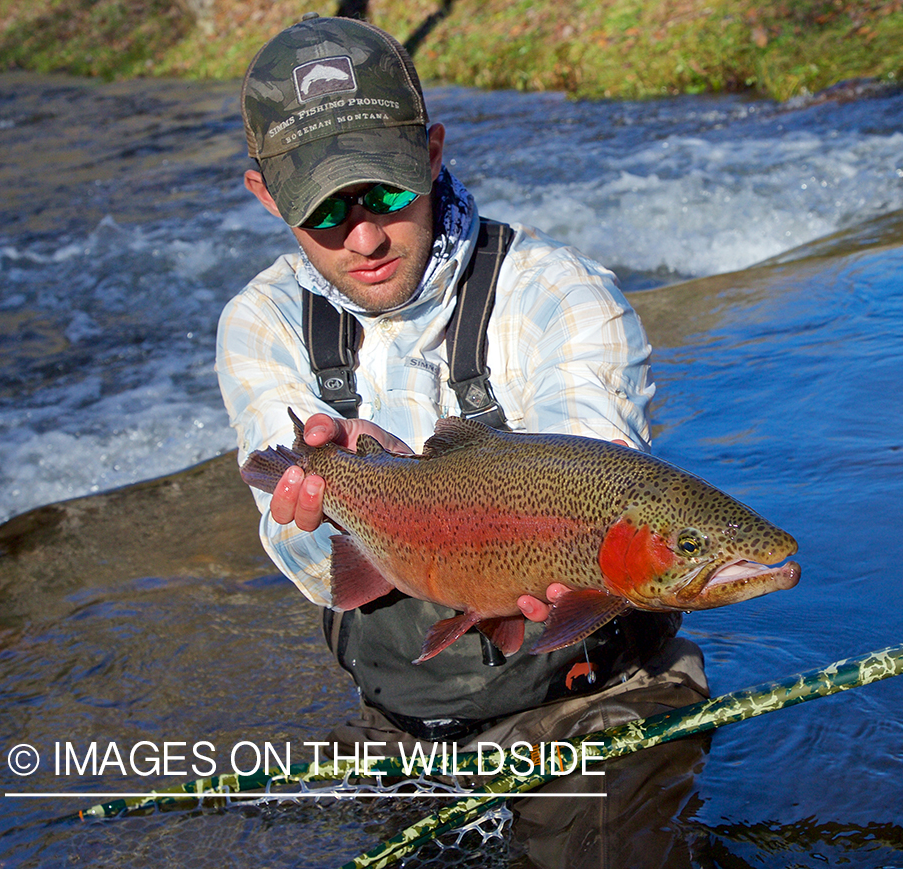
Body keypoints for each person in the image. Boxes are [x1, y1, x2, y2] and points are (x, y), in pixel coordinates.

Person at [216, 13, 708, 769]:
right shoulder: (261, 324)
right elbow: (309, 563)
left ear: (432, 152)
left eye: (385, 193)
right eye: (322, 209)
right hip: (406, 722)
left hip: (599, 702)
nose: (364, 238)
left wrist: (542, 565)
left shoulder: (560, 292)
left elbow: (594, 487)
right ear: (264, 196)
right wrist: (345, 497)